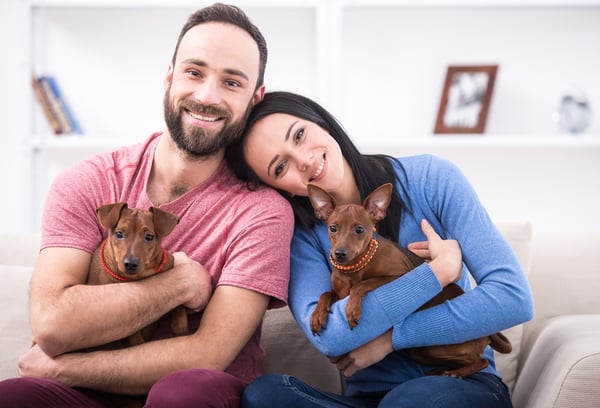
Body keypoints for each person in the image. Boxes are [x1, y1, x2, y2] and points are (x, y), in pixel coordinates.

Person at [0, 4, 293, 407]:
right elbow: (52, 326)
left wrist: (64, 368)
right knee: (14, 396)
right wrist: (179, 283)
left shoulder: (262, 212)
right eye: (194, 72)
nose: (207, 96)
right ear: (169, 75)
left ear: (254, 98)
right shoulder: (88, 182)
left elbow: (208, 353)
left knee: (184, 392)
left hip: (194, 395)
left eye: (231, 82)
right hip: (86, 398)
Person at [226, 91, 534, 408]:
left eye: (300, 135)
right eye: (280, 167)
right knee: (265, 395)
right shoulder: (300, 237)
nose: (303, 160)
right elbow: (330, 337)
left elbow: (514, 299)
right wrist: (437, 273)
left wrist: (391, 340)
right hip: (369, 399)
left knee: (412, 401)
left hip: (461, 385)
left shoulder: (432, 179)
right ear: (278, 189)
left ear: (322, 121)